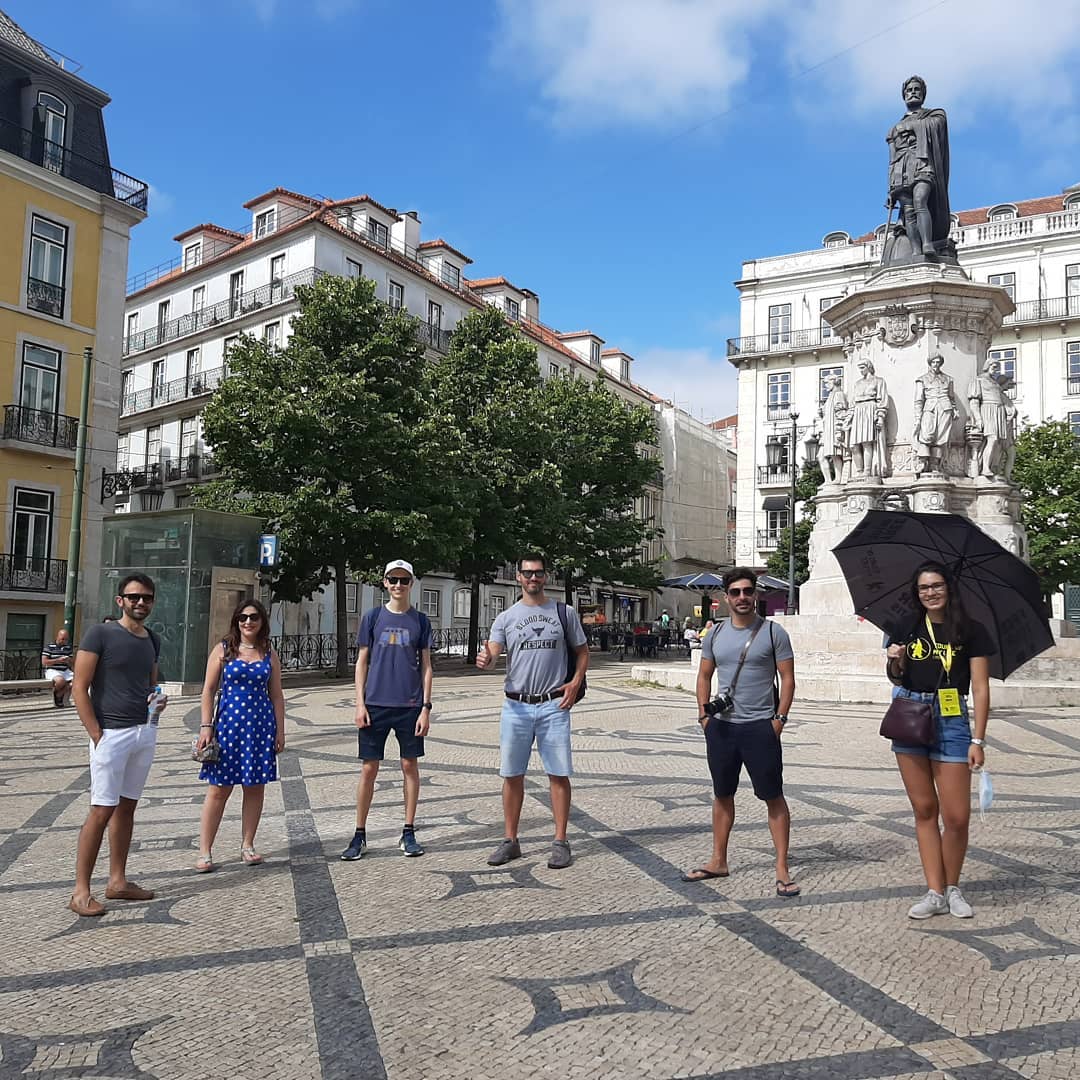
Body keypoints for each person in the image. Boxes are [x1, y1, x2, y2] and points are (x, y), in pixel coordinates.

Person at [885, 562, 994, 919]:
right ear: (916, 593)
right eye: (923, 588)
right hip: (912, 714)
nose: (930, 592)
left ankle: (953, 886)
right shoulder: (907, 626)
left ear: (949, 588)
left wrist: (978, 738)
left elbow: (979, 686)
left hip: (952, 718)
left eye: (936, 586)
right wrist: (895, 660)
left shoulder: (971, 630)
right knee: (925, 810)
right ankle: (934, 891)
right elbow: (896, 676)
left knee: (957, 816)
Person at [683, 567, 797, 897]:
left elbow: (787, 679)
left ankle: (781, 867)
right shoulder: (716, 634)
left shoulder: (773, 633)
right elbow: (704, 675)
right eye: (736, 592)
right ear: (726, 597)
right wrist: (704, 716)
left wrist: (779, 720)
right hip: (722, 728)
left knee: (773, 795)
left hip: (760, 727)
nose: (742, 597)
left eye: (748, 591)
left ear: (756, 594)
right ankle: (718, 859)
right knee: (722, 794)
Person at [477, 552, 588, 870]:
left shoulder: (563, 613)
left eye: (538, 573)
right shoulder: (506, 618)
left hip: (553, 704)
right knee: (512, 775)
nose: (533, 578)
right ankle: (510, 840)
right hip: (516, 706)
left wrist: (574, 682)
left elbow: (582, 652)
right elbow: (494, 652)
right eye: (527, 573)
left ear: (546, 576)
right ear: (518, 577)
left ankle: (560, 841)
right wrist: (487, 659)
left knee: (558, 773)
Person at [69, 574, 165, 917]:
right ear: (120, 600)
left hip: (143, 732)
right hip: (111, 732)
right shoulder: (100, 634)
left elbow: (151, 683)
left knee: (127, 807)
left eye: (147, 598)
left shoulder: (152, 639)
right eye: (134, 597)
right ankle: (81, 891)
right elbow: (79, 687)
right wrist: (96, 733)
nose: (141, 603)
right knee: (101, 809)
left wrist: (157, 703)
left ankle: (118, 881)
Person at [341, 560, 433, 861]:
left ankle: (408, 831)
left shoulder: (420, 620)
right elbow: (362, 662)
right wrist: (359, 702)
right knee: (369, 768)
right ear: (384, 583)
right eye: (392, 579)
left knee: (410, 766)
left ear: (411, 584)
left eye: (403, 580)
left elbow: (427, 667)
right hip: (375, 704)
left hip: (408, 704)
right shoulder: (372, 617)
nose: (398, 585)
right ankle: (359, 834)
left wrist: (425, 708)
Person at [194, 599, 285, 872]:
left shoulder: (269, 652)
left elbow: (277, 695)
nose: (248, 622)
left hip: (259, 729)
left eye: (254, 617)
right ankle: (205, 850)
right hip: (228, 728)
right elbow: (208, 690)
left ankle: (248, 844)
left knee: (254, 788)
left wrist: (280, 731)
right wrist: (206, 726)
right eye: (243, 617)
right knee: (219, 790)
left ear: (262, 621)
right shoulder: (223, 649)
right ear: (236, 621)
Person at [885, 75, 951, 264]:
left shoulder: (935, 115)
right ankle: (916, 251)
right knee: (908, 211)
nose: (912, 93)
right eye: (909, 90)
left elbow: (938, 126)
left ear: (922, 94)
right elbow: (891, 158)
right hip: (900, 170)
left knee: (920, 200)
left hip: (923, 164)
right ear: (903, 96)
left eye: (916, 89)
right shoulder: (892, 130)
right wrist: (889, 190)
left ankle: (927, 244)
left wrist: (911, 124)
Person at [914, 354, 956, 475]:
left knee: (940, 438)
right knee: (926, 435)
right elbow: (918, 400)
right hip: (930, 408)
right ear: (930, 363)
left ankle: (935, 464)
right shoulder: (922, 379)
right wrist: (918, 416)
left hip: (945, 408)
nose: (936, 364)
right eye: (933, 362)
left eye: (938, 362)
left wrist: (954, 409)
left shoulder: (948, 379)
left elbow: (951, 397)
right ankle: (922, 462)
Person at [846, 360, 888, 478]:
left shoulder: (879, 381)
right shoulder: (858, 383)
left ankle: (867, 471)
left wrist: (880, 416)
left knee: (866, 443)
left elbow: (882, 400)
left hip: (870, 410)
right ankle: (859, 471)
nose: (861, 370)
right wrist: (848, 419)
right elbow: (852, 402)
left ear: (869, 367)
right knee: (853, 445)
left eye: (863, 367)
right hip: (858, 411)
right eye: (859, 368)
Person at [42, 627, 74, 708]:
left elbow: (72, 662)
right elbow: (44, 662)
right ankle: (58, 696)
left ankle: (59, 694)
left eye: (66, 639)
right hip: (53, 670)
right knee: (60, 681)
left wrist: (68, 661)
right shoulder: (49, 647)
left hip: (65, 670)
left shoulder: (68, 648)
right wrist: (57, 660)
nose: (64, 641)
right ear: (57, 637)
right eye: (62, 639)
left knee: (79, 681)